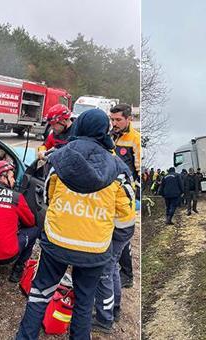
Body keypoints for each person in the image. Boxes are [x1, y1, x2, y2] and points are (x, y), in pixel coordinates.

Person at [16, 109, 133, 340]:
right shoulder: (118, 169)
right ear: (104, 131)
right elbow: (126, 217)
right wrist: (112, 244)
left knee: (40, 294)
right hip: (96, 249)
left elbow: (47, 199)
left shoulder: (60, 159)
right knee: (83, 301)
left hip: (57, 243)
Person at [93, 174, 136, 334]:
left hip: (118, 230)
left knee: (105, 271)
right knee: (112, 269)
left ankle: (104, 319)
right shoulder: (119, 171)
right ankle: (115, 308)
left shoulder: (107, 177)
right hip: (126, 227)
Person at [110, 103, 140, 289]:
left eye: (118, 120)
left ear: (129, 119)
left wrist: (134, 194)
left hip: (124, 196)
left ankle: (127, 274)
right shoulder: (110, 135)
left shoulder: (135, 139)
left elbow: (138, 170)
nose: (114, 123)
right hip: (108, 191)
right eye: (112, 119)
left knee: (122, 235)